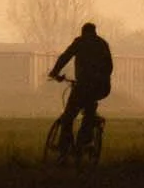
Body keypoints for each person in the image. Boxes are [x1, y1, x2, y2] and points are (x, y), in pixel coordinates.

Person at [48, 21, 114, 156]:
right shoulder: (102, 44)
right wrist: (101, 78)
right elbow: (109, 66)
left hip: (84, 86)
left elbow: (65, 57)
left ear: (83, 32)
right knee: (89, 110)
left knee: (68, 116)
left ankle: (64, 147)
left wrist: (55, 72)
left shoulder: (80, 42)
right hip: (102, 87)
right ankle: (85, 140)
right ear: (95, 31)